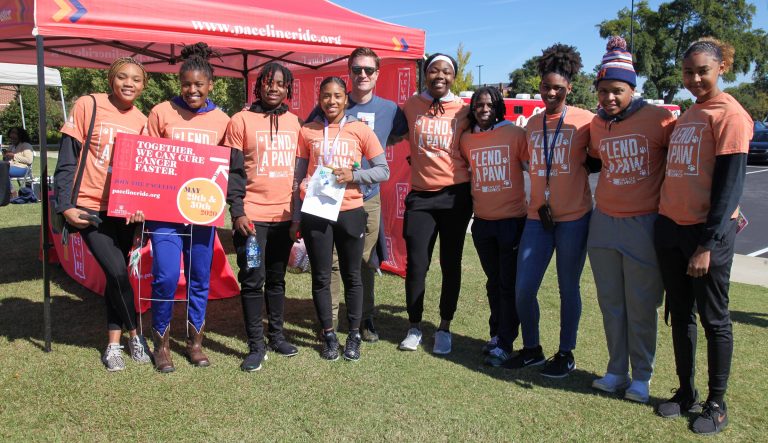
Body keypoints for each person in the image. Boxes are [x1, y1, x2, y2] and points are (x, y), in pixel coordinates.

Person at [654, 38, 751, 435]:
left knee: (714, 319)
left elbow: (729, 188)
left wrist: (706, 245)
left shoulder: (730, 114)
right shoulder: (690, 113)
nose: (694, 79)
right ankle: (686, 392)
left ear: (721, 68)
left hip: (706, 235)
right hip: (671, 229)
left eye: (702, 71)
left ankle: (716, 402)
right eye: (688, 72)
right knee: (680, 315)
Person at [587, 36, 677, 403]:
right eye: (603, 90)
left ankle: (641, 377)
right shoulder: (596, 124)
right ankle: (615, 370)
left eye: (617, 90)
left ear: (632, 89)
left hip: (644, 223)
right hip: (603, 223)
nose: (609, 97)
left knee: (641, 306)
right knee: (611, 304)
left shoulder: (660, 119)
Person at [53, 57, 151, 371]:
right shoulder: (89, 105)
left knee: (115, 276)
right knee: (118, 272)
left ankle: (112, 345)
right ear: (111, 79)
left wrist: (142, 206)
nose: (129, 83)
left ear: (143, 86)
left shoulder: (143, 121)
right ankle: (136, 336)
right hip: (89, 208)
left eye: (136, 79)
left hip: (123, 211)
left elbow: (143, 173)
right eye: (122, 77)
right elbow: (67, 159)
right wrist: (65, 206)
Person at [509, 44, 594, 377]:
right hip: (537, 217)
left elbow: (600, 157)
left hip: (574, 218)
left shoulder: (586, 121)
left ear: (569, 87)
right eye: (546, 86)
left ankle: (565, 352)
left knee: (568, 287)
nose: (552, 93)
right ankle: (532, 349)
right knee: (524, 288)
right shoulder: (532, 124)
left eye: (558, 87)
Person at [144, 42, 231, 373]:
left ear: (210, 85)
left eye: (199, 85)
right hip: (165, 213)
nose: (192, 90)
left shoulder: (222, 120)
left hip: (202, 212)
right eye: (186, 84)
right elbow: (145, 161)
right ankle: (162, 344)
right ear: (179, 84)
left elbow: (227, 167)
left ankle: (195, 342)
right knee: (166, 277)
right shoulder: (161, 112)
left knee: (199, 278)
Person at [311, 47, 407, 341]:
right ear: (349, 73)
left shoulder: (390, 110)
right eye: (356, 69)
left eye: (368, 70)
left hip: (368, 197)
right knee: (332, 262)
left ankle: (365, 319)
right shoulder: (334, 101)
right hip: (330, 197)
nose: (362, 74)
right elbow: (311, 135)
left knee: (364, 261)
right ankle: (330, 321)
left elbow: (396, 136)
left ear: (377, 74)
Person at [291, 76, 389, 361]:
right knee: (322, 276)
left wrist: (354, 175)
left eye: (337, 96)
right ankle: (329, 335)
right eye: (326, 96)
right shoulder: (308, 130)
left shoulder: (360, 129)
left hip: (350, 211)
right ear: (319, 99)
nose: (331, 101)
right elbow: (299, 175)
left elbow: (383, 170)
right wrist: (296, 214)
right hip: (317, 212)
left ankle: (354, 335)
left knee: (352, 275)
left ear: (346, 99)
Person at [225, 62, 301, 372]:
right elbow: (233, 171)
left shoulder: (296, 123)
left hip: (283, 217)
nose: (274, 88)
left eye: (281, 84)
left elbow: (300, 173)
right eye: (269, 82)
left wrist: (297, 217)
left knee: (277, 279)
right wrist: (238, 212)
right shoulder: (240, 120)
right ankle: (256, 345)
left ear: (287, 89)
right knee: (253, 279)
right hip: (252, 220)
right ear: (258, 86)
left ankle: (277, 336)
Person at [399, 53, 471, 355]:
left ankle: (444, 327)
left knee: (450, 263)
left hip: (455, 196)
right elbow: (388, 133)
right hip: (421, 197)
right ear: (426, 74)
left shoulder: (464, 110)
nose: (439, 76)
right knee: (417, 264)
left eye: (446, 72)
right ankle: (414, 326)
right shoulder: (411, 105)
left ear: (453, 77)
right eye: (434, 71)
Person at [459, 86, 526, 366]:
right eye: (478, 105)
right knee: (493, 282)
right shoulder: (466, 140)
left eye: (489, 104)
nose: (484, 109)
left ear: (499, 107)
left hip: (512, 221)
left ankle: (506, 341)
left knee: (508, 283)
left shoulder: (515, 134)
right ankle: (496, 335)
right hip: (482, 223)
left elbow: (534, 168)